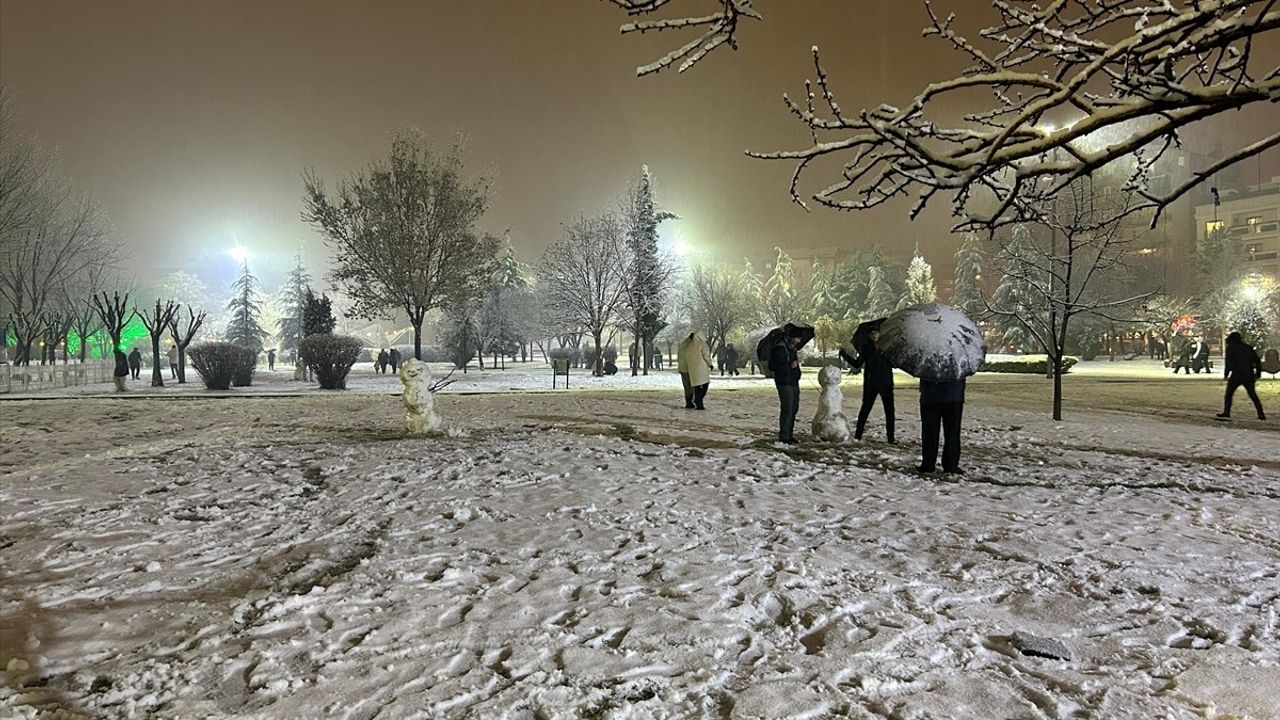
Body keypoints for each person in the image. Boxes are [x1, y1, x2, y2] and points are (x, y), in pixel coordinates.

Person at [850, 327, 895, 443]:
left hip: (886, 383)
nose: (874, 335)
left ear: (880, 334)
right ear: (869, 336)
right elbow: (857, 363)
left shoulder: (887, 348)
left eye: (876, 333)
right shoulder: (866, 348)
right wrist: (844, 354)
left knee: (889, 411)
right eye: (872, 333)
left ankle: (891, 437)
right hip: (871, 383)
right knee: (865, 409)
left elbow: (894, 363)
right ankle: (858, 435)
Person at [918, 377, 966, 474]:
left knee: (929, 432)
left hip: (930, 394)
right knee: (952, 432)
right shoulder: (958, 362)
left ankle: (928, 464)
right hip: (954, 395)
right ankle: (951, 465)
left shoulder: (928, 362)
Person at [1217, 331, 1266, 420]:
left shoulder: (1231, 348)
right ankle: (1261, 413)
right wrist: (1258, 373)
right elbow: (1257, 360)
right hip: (1248, 373)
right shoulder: (1247, 348)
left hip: (1237, 374)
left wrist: (1226, 374)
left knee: (1229, 394)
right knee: (1252, 394)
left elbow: (1229, 362)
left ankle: (1226, 411)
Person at [769, 324, 803, 443]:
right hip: (784, 382)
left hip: (793, 381)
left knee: (794, 408)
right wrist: (789, 365)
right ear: (792, 337)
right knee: (787, 409)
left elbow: (794, 364)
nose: (799, 341)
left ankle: (790, 434)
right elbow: (773, 366)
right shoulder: (780, 348)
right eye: (798, 338)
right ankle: (784, 436)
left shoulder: (791, 349)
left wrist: (797, 372)